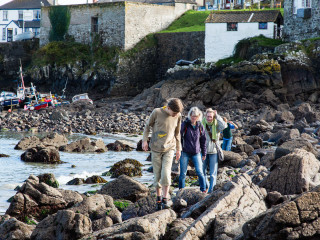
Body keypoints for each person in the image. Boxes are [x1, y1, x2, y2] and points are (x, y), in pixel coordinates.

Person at [142, 98, 184, 210]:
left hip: (170, 148)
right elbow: (147, 126)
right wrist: (144, 140)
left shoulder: (178, 116)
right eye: (174, 113)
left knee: (166, 173)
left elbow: (177, 133)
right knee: (157, 175)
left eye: (177, 113)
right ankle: (158, 198)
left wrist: (179, 149)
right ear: (168, 108)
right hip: (155, 148)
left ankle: (165, 198)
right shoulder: (157, 112)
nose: (175, 115)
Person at [179, 107, 207, 192]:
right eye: (192, 116)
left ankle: (203, 190)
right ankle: (181, 190)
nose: (194, 118)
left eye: (196, 116)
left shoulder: (200, 126)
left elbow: (203, 140)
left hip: (197, 153)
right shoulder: (185, 124)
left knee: (200, 172)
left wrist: (204, 153)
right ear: (190, 115)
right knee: (183, 174)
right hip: (185, 152)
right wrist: (178, 149)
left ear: (199, 116)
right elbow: (178, 137)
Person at [202, 108, 227, 193]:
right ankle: (206, 186)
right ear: (205, 116)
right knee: (202, 171)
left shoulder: (216, 126)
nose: (209, 118)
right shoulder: (202, 124)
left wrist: (217, 116)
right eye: (208, 116)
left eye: (211, 117)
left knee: (213, 173)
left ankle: (211, 190)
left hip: (213, 151)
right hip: (203, 151)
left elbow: (224, 126)